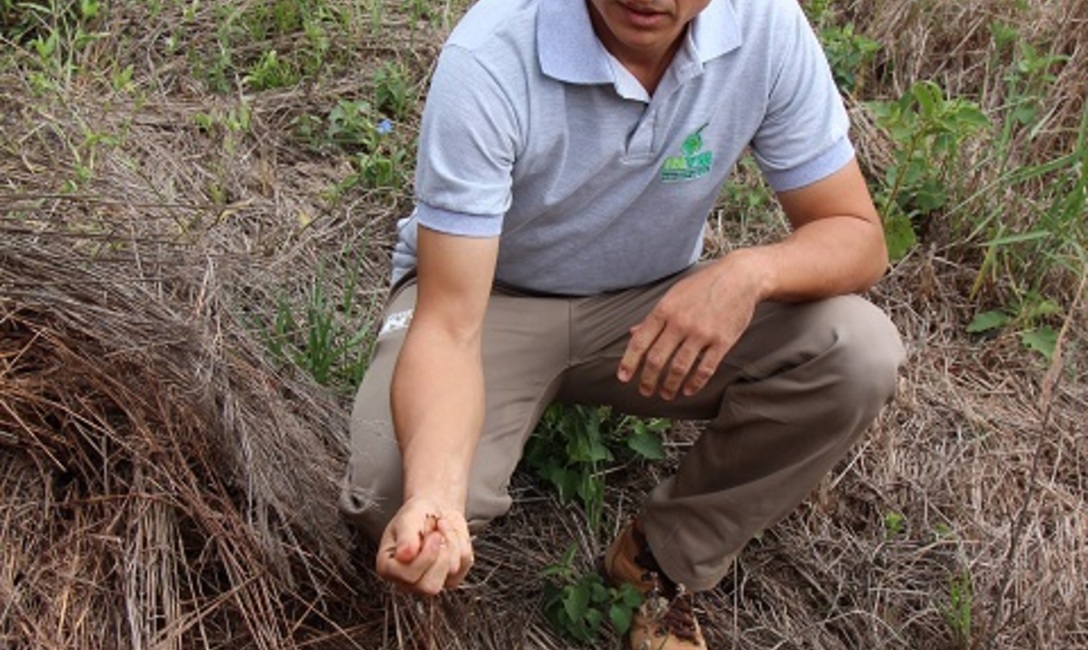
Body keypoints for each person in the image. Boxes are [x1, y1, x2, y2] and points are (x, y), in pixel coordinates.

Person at [340, 0, 905, 647]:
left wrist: (749, 273)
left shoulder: (764, 25)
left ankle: (659, 561)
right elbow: (449, 325)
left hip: (648, 305)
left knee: (856, 351)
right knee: (395, 504)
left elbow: (856, 235)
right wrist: (436, 495)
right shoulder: (492, 53)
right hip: (490, 298)